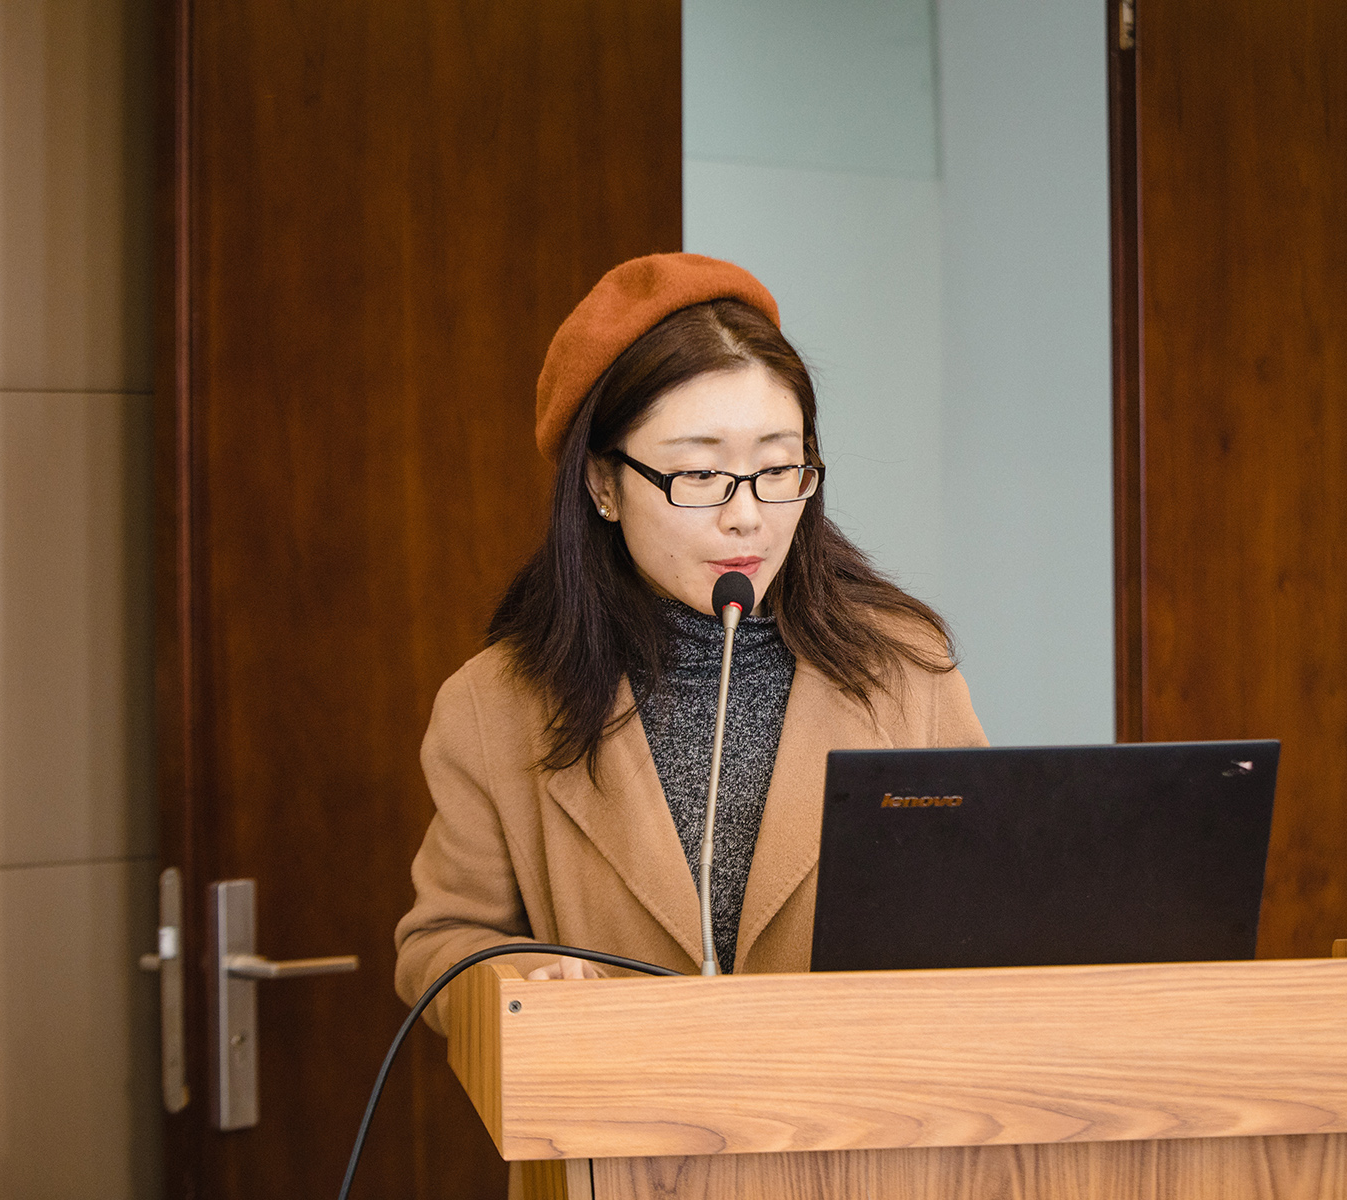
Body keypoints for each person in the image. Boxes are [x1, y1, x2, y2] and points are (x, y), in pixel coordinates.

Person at [394, 253, 987, 1027]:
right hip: (620, 1101)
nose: (747, 517)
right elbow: (439, 944)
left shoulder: (907, 668)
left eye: (778, 467)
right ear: (602, 484)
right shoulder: (492, 705)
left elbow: (987, 909)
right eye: (700, 476)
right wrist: (523, 981)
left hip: (857, 1102)